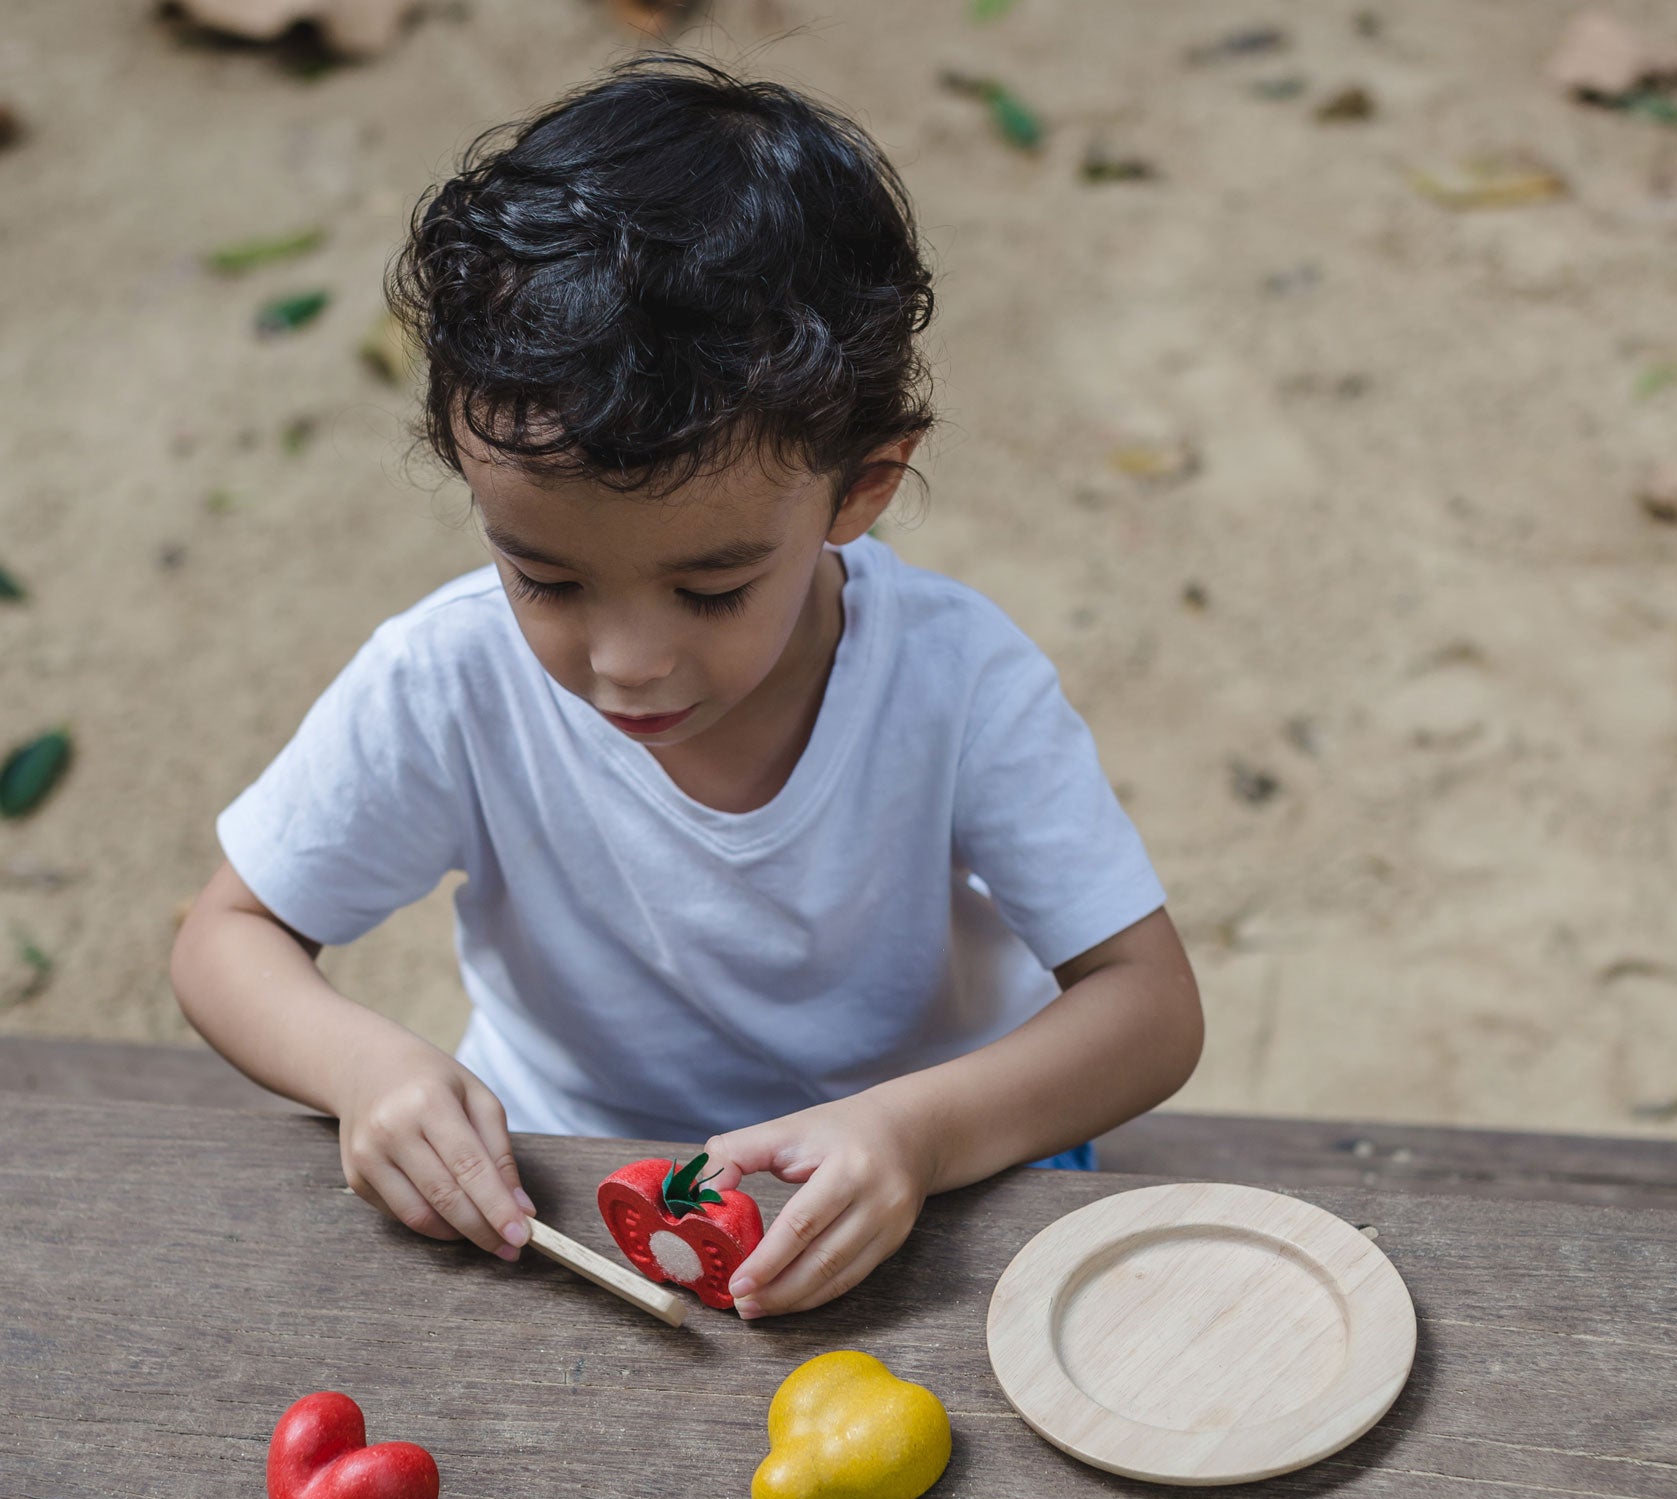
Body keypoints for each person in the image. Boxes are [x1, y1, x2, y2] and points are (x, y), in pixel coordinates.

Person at [171, 56, 1203, 1320]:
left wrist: (918, 1135)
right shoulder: (446, 676)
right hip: (557, 1193)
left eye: (710, 591)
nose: (626, 661)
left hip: (925, 1169)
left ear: (861, 489)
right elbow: (230, 936)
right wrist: (365, 1068)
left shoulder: (956, 678)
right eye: (542, 577)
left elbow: (1146, 1008)